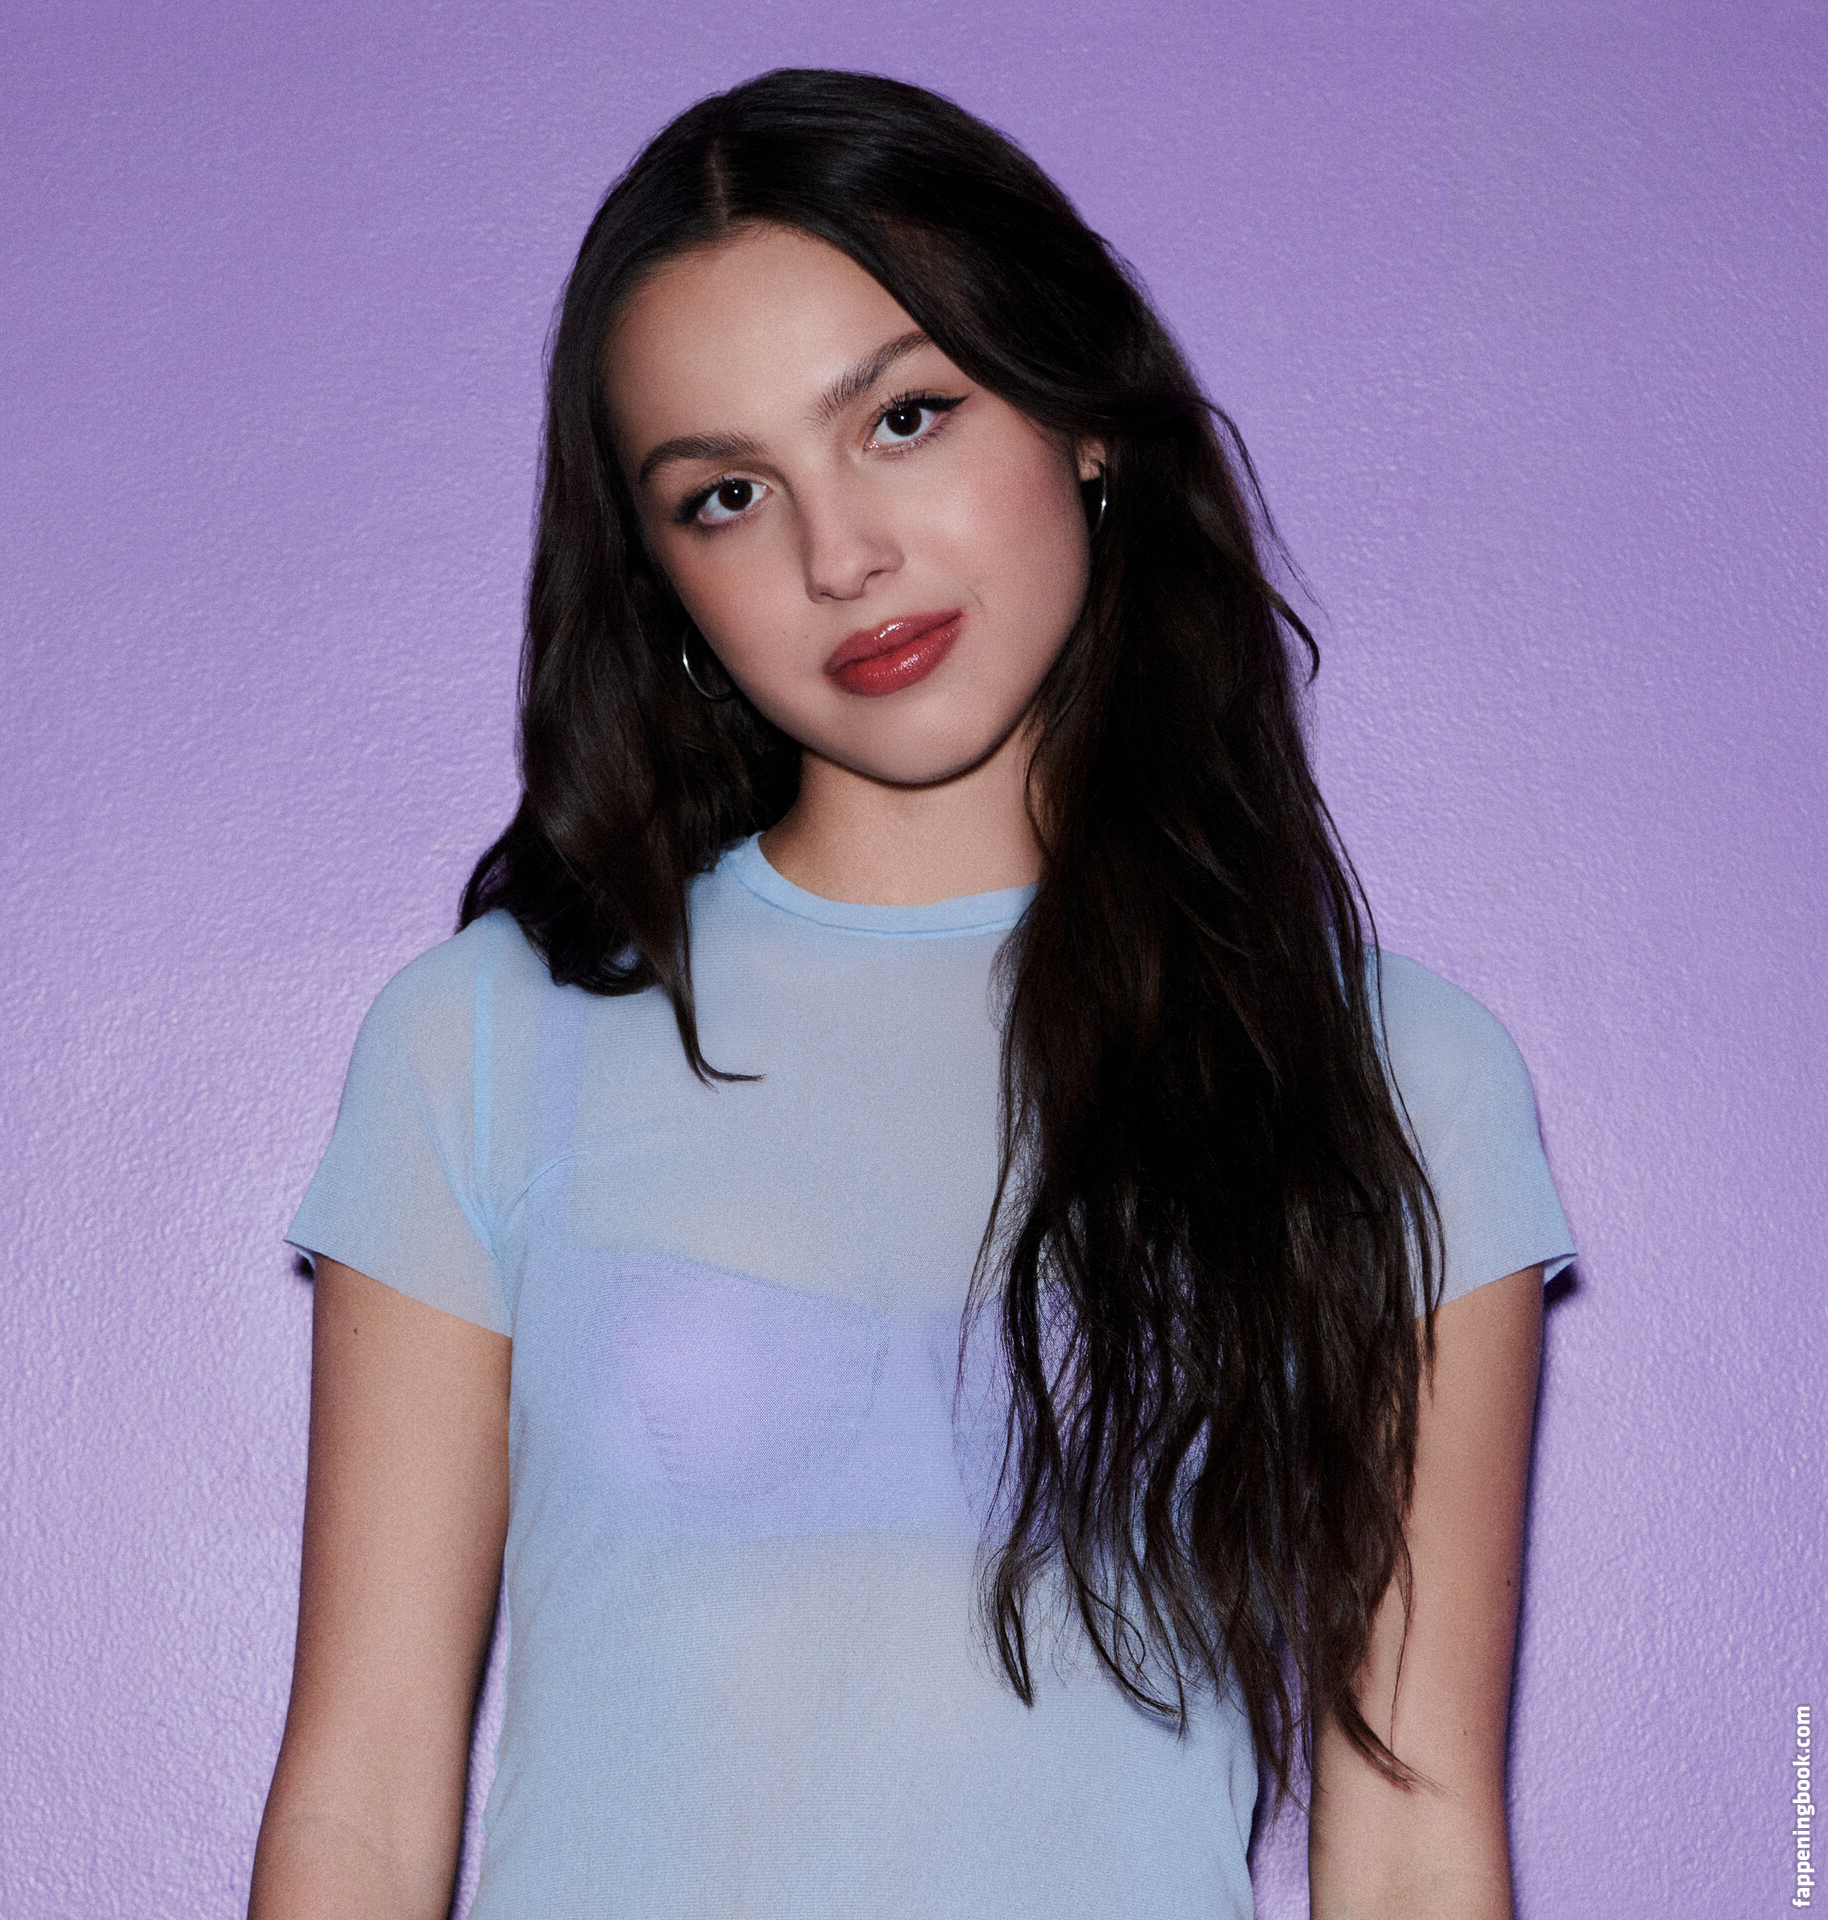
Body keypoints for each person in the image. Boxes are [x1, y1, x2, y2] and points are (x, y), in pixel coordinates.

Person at [249, 68, 1574, 1920]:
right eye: (726, 495)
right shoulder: (483, 1042)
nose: (838, 555)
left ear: (1085, 419)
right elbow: (364, 1807)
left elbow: (1418, 1843)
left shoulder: (1397, 1078)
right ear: (661, 579)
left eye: (904, 416)